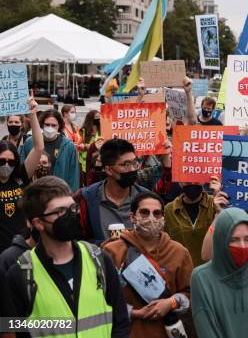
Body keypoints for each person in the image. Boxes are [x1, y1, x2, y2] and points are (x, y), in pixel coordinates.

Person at [5, 176, 129, 336]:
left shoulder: (99, 259)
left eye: (72, 208)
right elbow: (11, 330)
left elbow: (121, 321)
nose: (70, 215)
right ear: (38, 223)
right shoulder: (20, 274)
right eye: (60, 211)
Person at [103, 192, 193, 337]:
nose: (151, 218)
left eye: (157, 213)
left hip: (166, 331)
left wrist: (171, 303)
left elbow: (189, 294)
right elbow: (101, 299)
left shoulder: (179, 252)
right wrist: (135, 313)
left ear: (163, 218)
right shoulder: (113, 251)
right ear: (133, 217)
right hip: (124, 332)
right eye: (144, 212)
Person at [191, 208, 248, 338]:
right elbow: (207, 331)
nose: (243, 246)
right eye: (234, 239)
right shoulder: (202, 278)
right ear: (221, 240)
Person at [74, 139, 149, 244]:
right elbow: (79, 240)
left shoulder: (145, 198)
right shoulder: (88, 198)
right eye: (126, 164)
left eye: (135, 163)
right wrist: (102, 246)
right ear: (108, 170)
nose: (132, 169)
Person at [0, 95, 43, 253]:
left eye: (11, 162)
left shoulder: (20, 176)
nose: (6, 165)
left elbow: (38, 147)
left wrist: (32, 114)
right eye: (1, 161)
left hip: (21, 248)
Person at [164, 180, 226, 267]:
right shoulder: (169, 210)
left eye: (196, 180)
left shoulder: (216, 204)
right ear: (180, 182)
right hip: (182, 272)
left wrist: (220, 210)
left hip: (211, 271)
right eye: (187, 181)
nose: (192, 184)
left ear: (203, 181)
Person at [21, 108, 80, 191]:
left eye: (53, 125)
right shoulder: (30, 142)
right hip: (34, 193)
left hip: (58, 194)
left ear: (59, 126)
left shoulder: (68, 146)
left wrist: (70, 197)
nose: (50, 128)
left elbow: (74, 175)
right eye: (47, 124)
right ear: (42, 125)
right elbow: (22, 168)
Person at [80, 110, 102, 174]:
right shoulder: (83, 130)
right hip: (85, 162)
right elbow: (80, 145)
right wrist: (91, 146)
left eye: (99, 117)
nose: (98, 119)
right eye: (96, 117)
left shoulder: (101, 129)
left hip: (97, 162)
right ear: (90, 119)